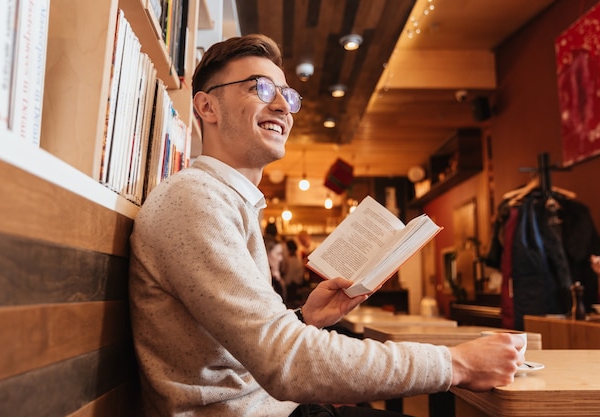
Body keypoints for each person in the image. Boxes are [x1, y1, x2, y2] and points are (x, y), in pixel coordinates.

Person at [128, 33, 525, 417]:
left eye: (288, 95)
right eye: (260, 89)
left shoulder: (224, 200)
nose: (283, 106)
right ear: (207, 107)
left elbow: (248, 349)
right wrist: (455, 364)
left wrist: (304, 319)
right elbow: (285, 363)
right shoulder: (195, 199)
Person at [282, 239, 306, 306]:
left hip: (291, 288)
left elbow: (288, 278)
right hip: (297, 286)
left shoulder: (289, 261)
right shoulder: (299, 260)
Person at [265, 234, 287, 301]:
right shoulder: (264, 280)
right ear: (267, 254)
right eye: (278, 254)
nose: (281, 258)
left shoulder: (275, 277)